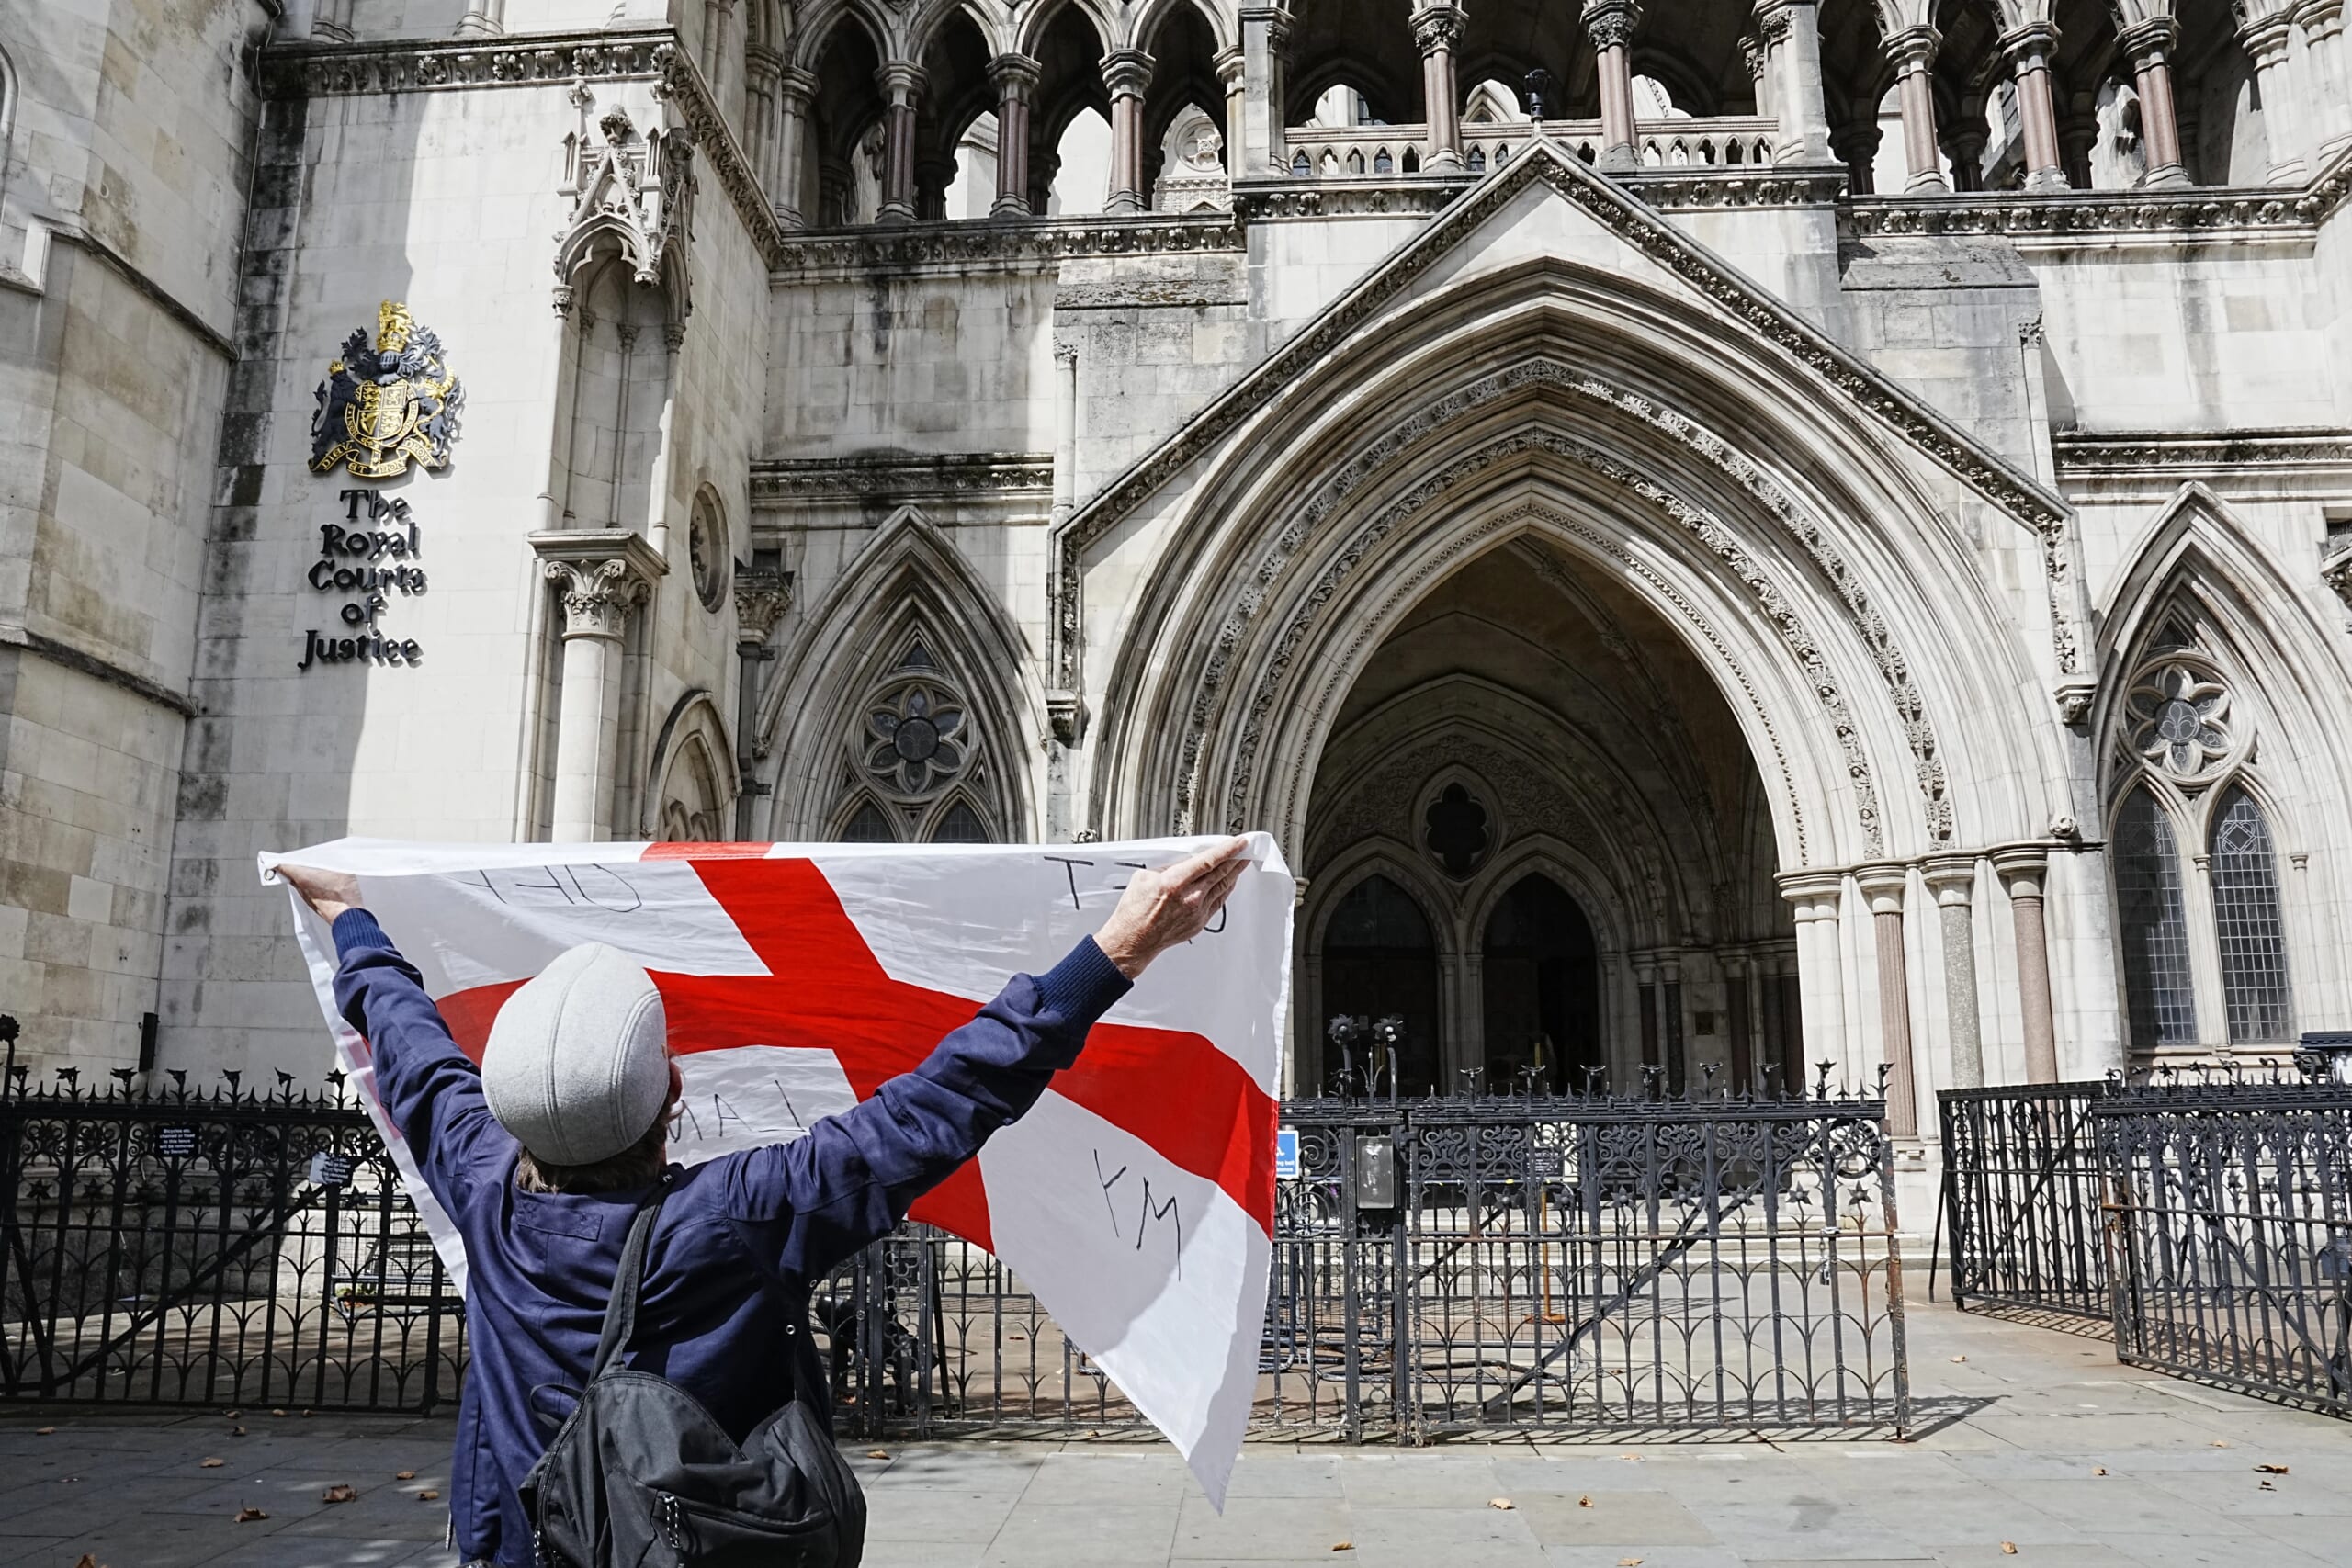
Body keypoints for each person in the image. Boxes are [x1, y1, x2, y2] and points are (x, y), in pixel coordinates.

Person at [274, 839, 1250, 1568]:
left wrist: (352, 918)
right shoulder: (735, 1218)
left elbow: (409, 1045)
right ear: (671, 1093)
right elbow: (938, 1104)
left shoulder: (479, 1180)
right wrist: (1116, 949)